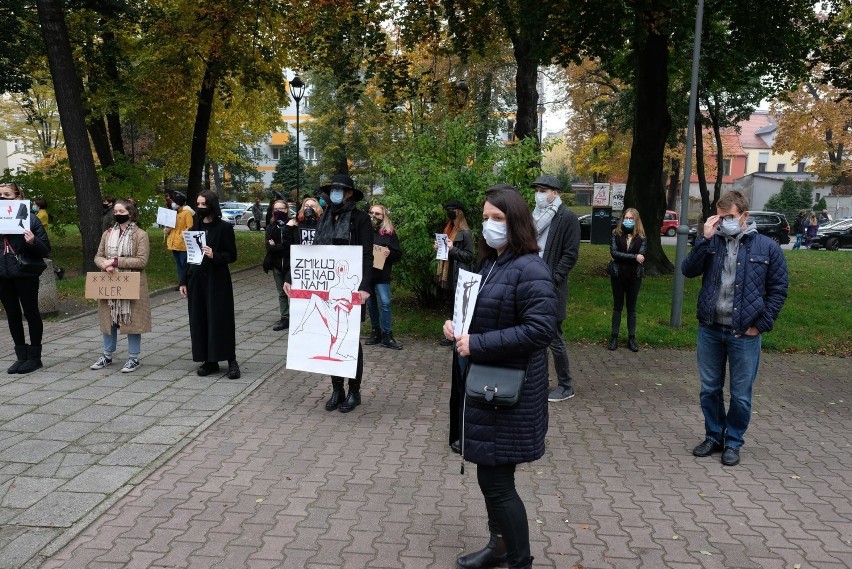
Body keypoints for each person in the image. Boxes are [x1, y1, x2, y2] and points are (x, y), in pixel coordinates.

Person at [442, 184, 557, 569]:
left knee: (497, 483)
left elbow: (541, 330)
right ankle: (500, 546)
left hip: (510, 393)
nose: (490, 226)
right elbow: (488, 314)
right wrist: (458, 327)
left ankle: (519, 561)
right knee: (489, 477)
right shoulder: (493, 263)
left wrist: (479, 344)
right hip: (490, 388)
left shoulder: (531, 268)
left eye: (498, 219)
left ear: (517, 223)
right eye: (486, 218)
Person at [682, 190, 788, 467]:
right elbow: (688, 270)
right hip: (711, 328)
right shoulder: (712, 243)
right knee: (709, 389)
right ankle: (714, 436)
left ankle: (733, 441)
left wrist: (760, 325)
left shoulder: (767, 247)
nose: (724, 222)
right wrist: (703, 238)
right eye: (720, 217)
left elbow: (778, 290)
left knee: (740, 394)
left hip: (745, 332)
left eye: (729, 217)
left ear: (744, 216)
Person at [285, 174, 372, 413]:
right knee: (328, 337)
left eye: (340, 189)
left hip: (350, 288)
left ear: (349, 193)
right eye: (332, 188)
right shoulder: (324, 219)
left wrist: (365, 286)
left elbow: (367, 255)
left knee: (350, 340)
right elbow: (311, 253)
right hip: (326, 286)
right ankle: (337, 388)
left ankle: (354, 391)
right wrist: (292, 278)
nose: (335, 192)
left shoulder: (360, 219)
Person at [179, 190, 240, 379]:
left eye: (204, 204)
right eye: (198, 204)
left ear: (212, 205)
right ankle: (209, 359)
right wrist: (183, 281)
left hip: (217, 280)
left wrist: (215, 255)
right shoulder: (194, 229)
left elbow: (232, 255)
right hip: (197, 280)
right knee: (200, 319)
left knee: (220, 318)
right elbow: (189, 258)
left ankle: (231, 359)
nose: (200, 207)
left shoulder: (223, 228)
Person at [530, 174, 581, 403]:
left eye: (543, 190)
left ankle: (566, 385)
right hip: (532, 281)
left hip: (551, 286)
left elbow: (570, 255)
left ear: (555, 193)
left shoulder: (567, 218)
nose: (539, 194)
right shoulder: (534, 216)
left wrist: (553, 278)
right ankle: (538, 381)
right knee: (534, 334)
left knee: (553, 337)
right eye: (537, 190)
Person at [90, 199, 151, 373]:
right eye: (115, 211)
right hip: (109, 281)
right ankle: (107, 355)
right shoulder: (107, 233)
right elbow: (98, 256)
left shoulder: (140, 235)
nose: (117, 214)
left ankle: (133, 357)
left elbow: (141, 261)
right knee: (108, 319)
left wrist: (116, 261)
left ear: (130, 213)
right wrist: (105, 264)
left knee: (130, 319)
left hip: (131, 282)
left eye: (121, 211)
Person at [0, 182, 51, 374]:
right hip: (3, 274)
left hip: (25, 273)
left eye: (7, 195)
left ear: (18, 198)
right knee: (12, 315)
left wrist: (32, 241)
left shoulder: (30, 219)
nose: (2, 198)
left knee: (31, 313)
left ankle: (35, 357)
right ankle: (21, 356)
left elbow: (45, 248)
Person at [435, 199, 474, 346]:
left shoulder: (466, 232)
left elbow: (469, 256)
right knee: (451, 304)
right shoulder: (448, 229)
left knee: (460, 306)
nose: (449, 212)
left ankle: (459, 338)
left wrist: (453, 249)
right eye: (448, 209)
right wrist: (440, 247)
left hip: (460, 274)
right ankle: (452, 336)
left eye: (452, 209)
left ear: (459, 212)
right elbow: (445, 253)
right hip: (449, 273)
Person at [365, 204, 403, 350]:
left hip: (382, 274)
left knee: (385, 303)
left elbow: (398, 254)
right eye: (372, 213)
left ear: (383, 216)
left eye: (378, 214)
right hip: (367, 274)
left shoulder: (389, 233)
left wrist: (389, 253)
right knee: (371, 304)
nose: (374, 216)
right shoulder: (364, 230)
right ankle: (376, 332)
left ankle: (387, 335)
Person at [608, 208, 646, 352]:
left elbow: (642, 255)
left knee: (632, 308)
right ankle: (614, 337)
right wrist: (634, 257)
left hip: (634, 276)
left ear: (636, 220)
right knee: (617, 307)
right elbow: (614, 253)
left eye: (631, 218)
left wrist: (634, 257)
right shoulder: (615, 233)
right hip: (618, 274)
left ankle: (631, 338)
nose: (628, 220)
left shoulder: (641, 237)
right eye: (626, 218)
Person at [265, 199, 292, 331]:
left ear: (286, 210)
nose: (278, 211)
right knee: (281, 293)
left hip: (290, 264)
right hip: (276, 265)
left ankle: (295, 316)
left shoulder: (292, 226)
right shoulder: (271, 227)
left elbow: (291, 247)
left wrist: (276, 246)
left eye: (281, 208)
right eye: (276, 209)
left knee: (292, 292)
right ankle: (285, 317)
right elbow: (268, 247)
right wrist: (278, 247)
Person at [164, 191, 193, 289]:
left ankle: (186, 283)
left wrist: (181, 236)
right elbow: (173, 227)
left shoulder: (187, 213)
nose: (172, 203)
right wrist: (168, 230)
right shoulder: (175, 213)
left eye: (174, 202)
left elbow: (190, 227)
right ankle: (181, 283)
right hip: (174, 243)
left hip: (182, 244)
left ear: (179, 203)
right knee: (179, 264)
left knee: (184, 264)